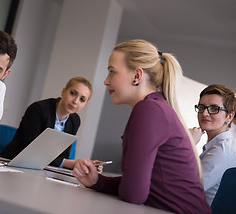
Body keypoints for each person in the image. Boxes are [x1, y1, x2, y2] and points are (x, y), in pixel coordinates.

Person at [72, 39, 211, 213]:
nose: (106, 81)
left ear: (137, 76)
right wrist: (97, 181)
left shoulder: (149, 109)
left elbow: (133, 194)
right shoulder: (156, 106)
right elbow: (138, 185)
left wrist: (104, 183)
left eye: (112, 72)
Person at [0, 77, 99, 169]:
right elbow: (30, 150)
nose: (75, 101)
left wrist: (83, 166)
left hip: (44, 169)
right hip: (14, 164)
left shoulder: (75, 121)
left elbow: (64, 155)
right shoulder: (37, 110)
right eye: (73, 93)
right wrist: (69, 163)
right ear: (63, 91)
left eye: (82, 99)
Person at [190, 84, 236, 206]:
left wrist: (188, 145)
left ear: (229, 116)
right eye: (201, 107)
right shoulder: (219, 143)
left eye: (214, 108)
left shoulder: (222, 149)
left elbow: (187, 189)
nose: (205, 113)